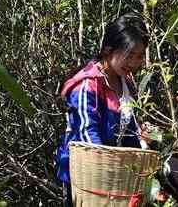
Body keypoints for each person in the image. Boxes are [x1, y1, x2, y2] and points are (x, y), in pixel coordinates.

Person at [55, 12, 150, 207]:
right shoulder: (88, 85)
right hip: (88, 179)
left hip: (116, 178)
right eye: (128, 55)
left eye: (139, 56)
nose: (133, 63)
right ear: (109, 50)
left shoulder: (126, 82)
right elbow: (88, 136)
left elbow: (129, 130)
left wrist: (142, 141)